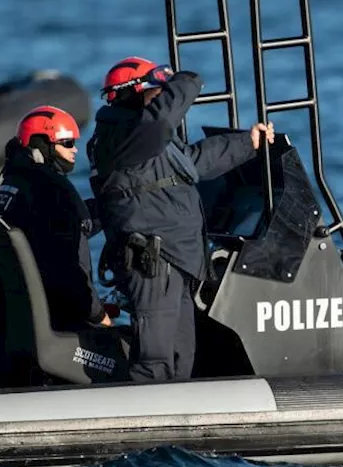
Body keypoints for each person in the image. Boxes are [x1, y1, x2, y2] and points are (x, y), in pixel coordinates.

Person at [88, 56, 274, 382]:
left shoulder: (146, 140)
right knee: (155, 360)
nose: (161, 96)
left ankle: (180, 421)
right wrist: (186, 79)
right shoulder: (125, 137)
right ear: (133, 93)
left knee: (181, 353)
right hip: (151, 262)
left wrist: (247, 143)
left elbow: (192, 164)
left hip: (177, 259)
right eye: (155, 90)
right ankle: (145, 422)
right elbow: (160, 121)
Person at [0, 105, 112, 333]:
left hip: (11, 316)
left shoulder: (12, 183)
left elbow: (50, 231)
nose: (75, 150)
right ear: (43, 145)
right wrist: (97, 314)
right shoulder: (54, 189)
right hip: (57, 322)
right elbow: (69, 266)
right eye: (67, 143)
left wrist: (108, 209)